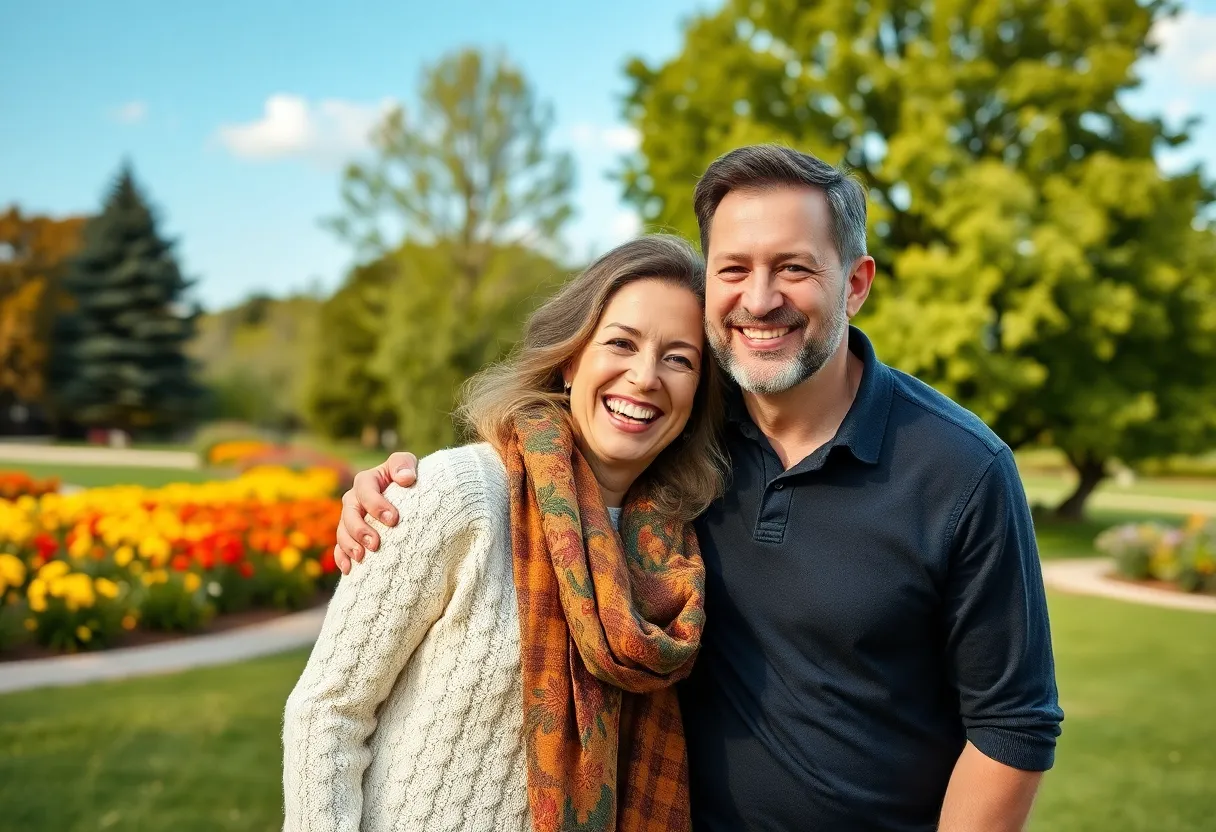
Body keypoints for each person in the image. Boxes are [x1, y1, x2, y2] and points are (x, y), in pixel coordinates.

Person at [336, 145, 1064, 832]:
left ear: (857, 283)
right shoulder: (682, 442)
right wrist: (401, 490)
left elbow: (1013, 724)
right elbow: (545, 458)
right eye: (734, 268)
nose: (760, 297)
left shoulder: (962, 469)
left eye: (795, 269)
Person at [282, 235, 729, 832]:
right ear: (571, 360)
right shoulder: (455, 494)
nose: (645, 377)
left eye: (679, 358)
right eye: (621, 343)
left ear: (698, 392)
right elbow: (329, 713)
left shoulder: (683, 555)